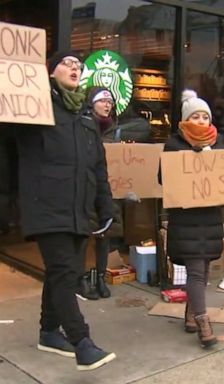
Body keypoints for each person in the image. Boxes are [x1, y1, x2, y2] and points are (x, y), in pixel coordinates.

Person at [14, 51, 116, 370]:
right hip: (46, 206)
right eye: (67, 62)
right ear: (50, 70)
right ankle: (81, 341)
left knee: (65, 273)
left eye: (78, 65)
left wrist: (106, 205)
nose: (74, 67)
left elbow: (97, 167)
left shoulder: (85, 117)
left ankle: (48, 331)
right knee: (63, 273)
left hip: (78, 210)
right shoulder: (34, 110)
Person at [160, 89, 224, 347]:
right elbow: (162, 179)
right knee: (196, 271)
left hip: (210, 217)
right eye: (195, 116)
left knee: (205, 269)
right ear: (187, 118)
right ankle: (202, 321)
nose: (201, 121)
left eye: (204, 117)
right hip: (186, 219)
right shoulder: (174, 144)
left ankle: (189, 313)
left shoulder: (219, 144)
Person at [76, 86, 125, 300]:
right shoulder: (82, 126)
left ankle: (100, 278)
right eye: (103, 101)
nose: (107, 106)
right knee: (85, 237)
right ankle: (83, 279)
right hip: (87, 190)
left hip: (108, 190)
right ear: (91, 103)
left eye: (110, 103)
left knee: (105, 235)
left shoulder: (116, 130)